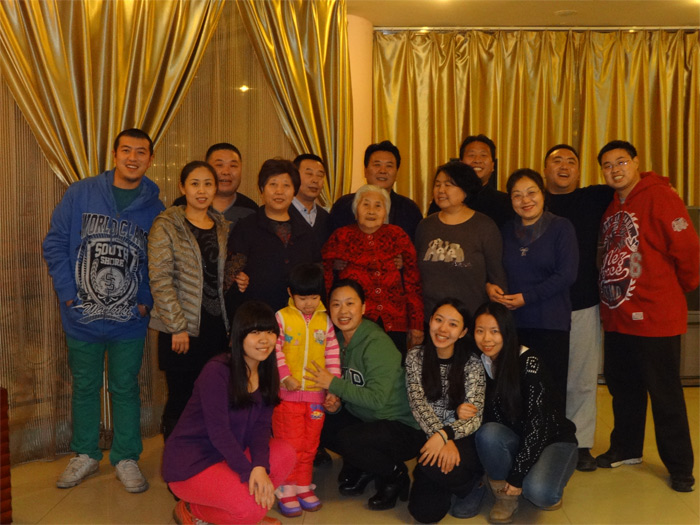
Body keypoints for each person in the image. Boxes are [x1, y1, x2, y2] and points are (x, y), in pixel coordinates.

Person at [43, 128, 164, 493]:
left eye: (140, 152)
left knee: (125, 387)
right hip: (81, 316)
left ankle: (126, 457)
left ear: (150, 159)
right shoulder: (80, 193)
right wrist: (68, 294)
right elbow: (55, 243)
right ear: (114, 155)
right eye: (126, 150)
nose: (132, 158)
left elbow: (157, 261)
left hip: (129, 320)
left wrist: (145, 300)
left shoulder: (156, 208)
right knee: (85, 386)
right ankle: (85, 453)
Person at [596, 140, 699, 492]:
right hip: (618, 316)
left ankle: (680, 467)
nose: (615, 170)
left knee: (665, 394)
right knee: (623, 388)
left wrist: (678, 288)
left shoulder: (661, 196)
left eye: (621, 162)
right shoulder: (613, 207)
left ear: (637, 162)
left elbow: (688, 248)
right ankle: (626, 448)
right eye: (607, 165)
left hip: (656, 317)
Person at [162, 300, 296, 525]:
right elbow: (219, 433)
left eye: (270, 332)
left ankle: (246, 510)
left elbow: (261, 427)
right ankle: (192, 509)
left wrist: (259, 468)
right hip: (192, 463)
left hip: (227, 455)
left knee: (286, 453)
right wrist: (248, 472)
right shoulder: (217, 371)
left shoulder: (268, 372)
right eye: (255, 332)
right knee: (248, 508)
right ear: (238, 336)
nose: (264, 339)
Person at [305, 279, 424, 511]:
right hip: (365, 418)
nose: (343, 311)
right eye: (336, 304)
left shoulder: (376, 343)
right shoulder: (336, 341)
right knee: (318, 418)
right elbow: (346, 390)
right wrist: (335, 404)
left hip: (401, 426)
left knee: (349, 439)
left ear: (363, 307)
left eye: (350, 303)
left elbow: (376, 400)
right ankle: (364, 465)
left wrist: (334, 384)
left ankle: (395, 474)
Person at [148, 161, 247, 439]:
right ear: (183, 187)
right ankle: (176, 458)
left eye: (207, 184)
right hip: (181, 328)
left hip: (215, 327)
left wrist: (237, 277)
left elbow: (217, 273)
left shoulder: (222, 227)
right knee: (181, 398)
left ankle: (203, 456)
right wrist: (177, 326)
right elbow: (160, 278)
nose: (201, 191)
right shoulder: (167, 225)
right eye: (195, 184)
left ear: (215, 189)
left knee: (212, 396)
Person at [543, 144, 614, 472]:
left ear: (579, 170)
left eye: (571, 161)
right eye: (557, 160)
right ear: (545, 169)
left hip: (583, 302)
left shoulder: (594, 197)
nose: (564, 166)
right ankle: (546, 436)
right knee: (543, 376)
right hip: (541, 305)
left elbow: (634, 182)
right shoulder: (533, 199)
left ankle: (580, 442)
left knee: (582, 378)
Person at [473, 302, 577, 523]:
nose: (486, 339)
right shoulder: (479, 362)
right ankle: (505, 498)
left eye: (494, 331)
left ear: (507, 332)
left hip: (552, 439)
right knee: (488, 433)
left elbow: (538, 425)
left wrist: (518, 474)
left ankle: (543, 475)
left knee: (540, 493)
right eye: (480, 331)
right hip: (517, 438)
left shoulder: (529, 362)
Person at [488, 168, 578, 412]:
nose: (525, 200)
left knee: (549, 391)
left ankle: (550, 437)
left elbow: (567, 274)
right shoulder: (506, 230)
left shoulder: (561, 227)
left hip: (550, 323)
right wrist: (490, 286)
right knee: (516, 391)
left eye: (531, 193)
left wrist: (527, 298)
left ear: (543, 193)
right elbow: (495, 268)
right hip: (513, 325)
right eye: (517, 195)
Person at [405, 298, 486, 523]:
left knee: (429, 466)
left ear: (463, 332)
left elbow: (475, 417)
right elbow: (418, 405)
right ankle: (450, 480)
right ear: (430, 321)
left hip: (463, 437)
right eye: (438, 320)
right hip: (432, 436)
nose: (443, 329)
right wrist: (440, 436)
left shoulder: (472, 363)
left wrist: (445, 434)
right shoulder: (415, 357)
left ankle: (475, 483)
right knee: (424, 514)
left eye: (452, 324)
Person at [271, 263, 341, 517]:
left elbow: (332, 354)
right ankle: (286, 487)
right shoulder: (281, 317)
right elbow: (274, 349)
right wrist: (285, 376)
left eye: (314, 297)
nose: (309, 304)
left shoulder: (325, 320)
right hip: (287, 397)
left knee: (310, 444)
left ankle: (302, 485)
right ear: (291, 293)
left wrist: (332, 387)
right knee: (289, 444)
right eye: (303, 298)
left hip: (315, 397)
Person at [322, 184, 424, 357]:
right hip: (353, 322)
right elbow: (325, 276)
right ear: (356, 211)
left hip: (395, 322)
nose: (371, 211)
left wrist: (416, 323)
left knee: (393, 366)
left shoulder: (397, 235)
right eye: (365, 204)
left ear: (386, 213)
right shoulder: (341, 236)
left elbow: (413, 281)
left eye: (378, 205)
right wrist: (326, 317)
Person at [416, 161, 507, 318]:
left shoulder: (484, 226)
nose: (441, 190)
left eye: (448, 184)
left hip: (471, 318)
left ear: (465, 189)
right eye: (437, 185)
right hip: (431, 319)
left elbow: (497, 276)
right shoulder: (425, 226)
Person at [229, 158, 321, 312]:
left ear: (294, 191)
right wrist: (238, 277)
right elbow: (231, 274)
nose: (279, 191)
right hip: (257, 316)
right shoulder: (246, 227)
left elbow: (316, 276)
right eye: (273, 184)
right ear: (262, 188)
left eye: (286, 185)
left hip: (297, 318)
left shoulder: (306, 231)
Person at [329, 140, 423, 240]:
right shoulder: (344, 205)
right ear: (365, 171)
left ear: (397, 173)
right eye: (377, 165)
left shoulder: (409, 209)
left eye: (389, 166)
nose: (383, 171)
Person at [427, 135, 514, 228]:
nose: (477, 160)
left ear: (493, 166)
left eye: (483, 155)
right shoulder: (444, 198)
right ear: (460, 163)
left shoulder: (505, 202)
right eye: (471, 155)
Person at [173, 143, 257, 227]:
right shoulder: (180, 207)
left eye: (233, 166)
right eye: (219, 165)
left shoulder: (250, 209)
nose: (226, 172)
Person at [290, 153, 331, 246]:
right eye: (309, 174)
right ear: (294, 177)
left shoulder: (326, 218)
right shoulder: (281, 213)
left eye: (320, 175)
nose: (315, 180)